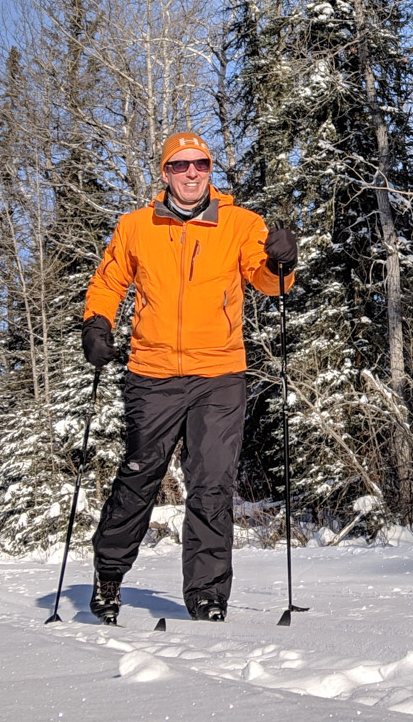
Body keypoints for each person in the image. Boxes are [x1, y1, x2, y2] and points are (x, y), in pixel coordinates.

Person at [80, 131, 297, 624]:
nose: (191, 173)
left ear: (210, 169)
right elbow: (109, 280)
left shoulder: (241, 224)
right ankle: (109, 575)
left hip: (219, 373)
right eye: (180, 166)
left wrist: (282, 261)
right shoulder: (136, 227)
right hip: (151, 373)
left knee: (212, 485)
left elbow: (267, 281)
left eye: (200, 164)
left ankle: (207, 595)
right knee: (138, 478)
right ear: (165, 174)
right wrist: (97, 323)